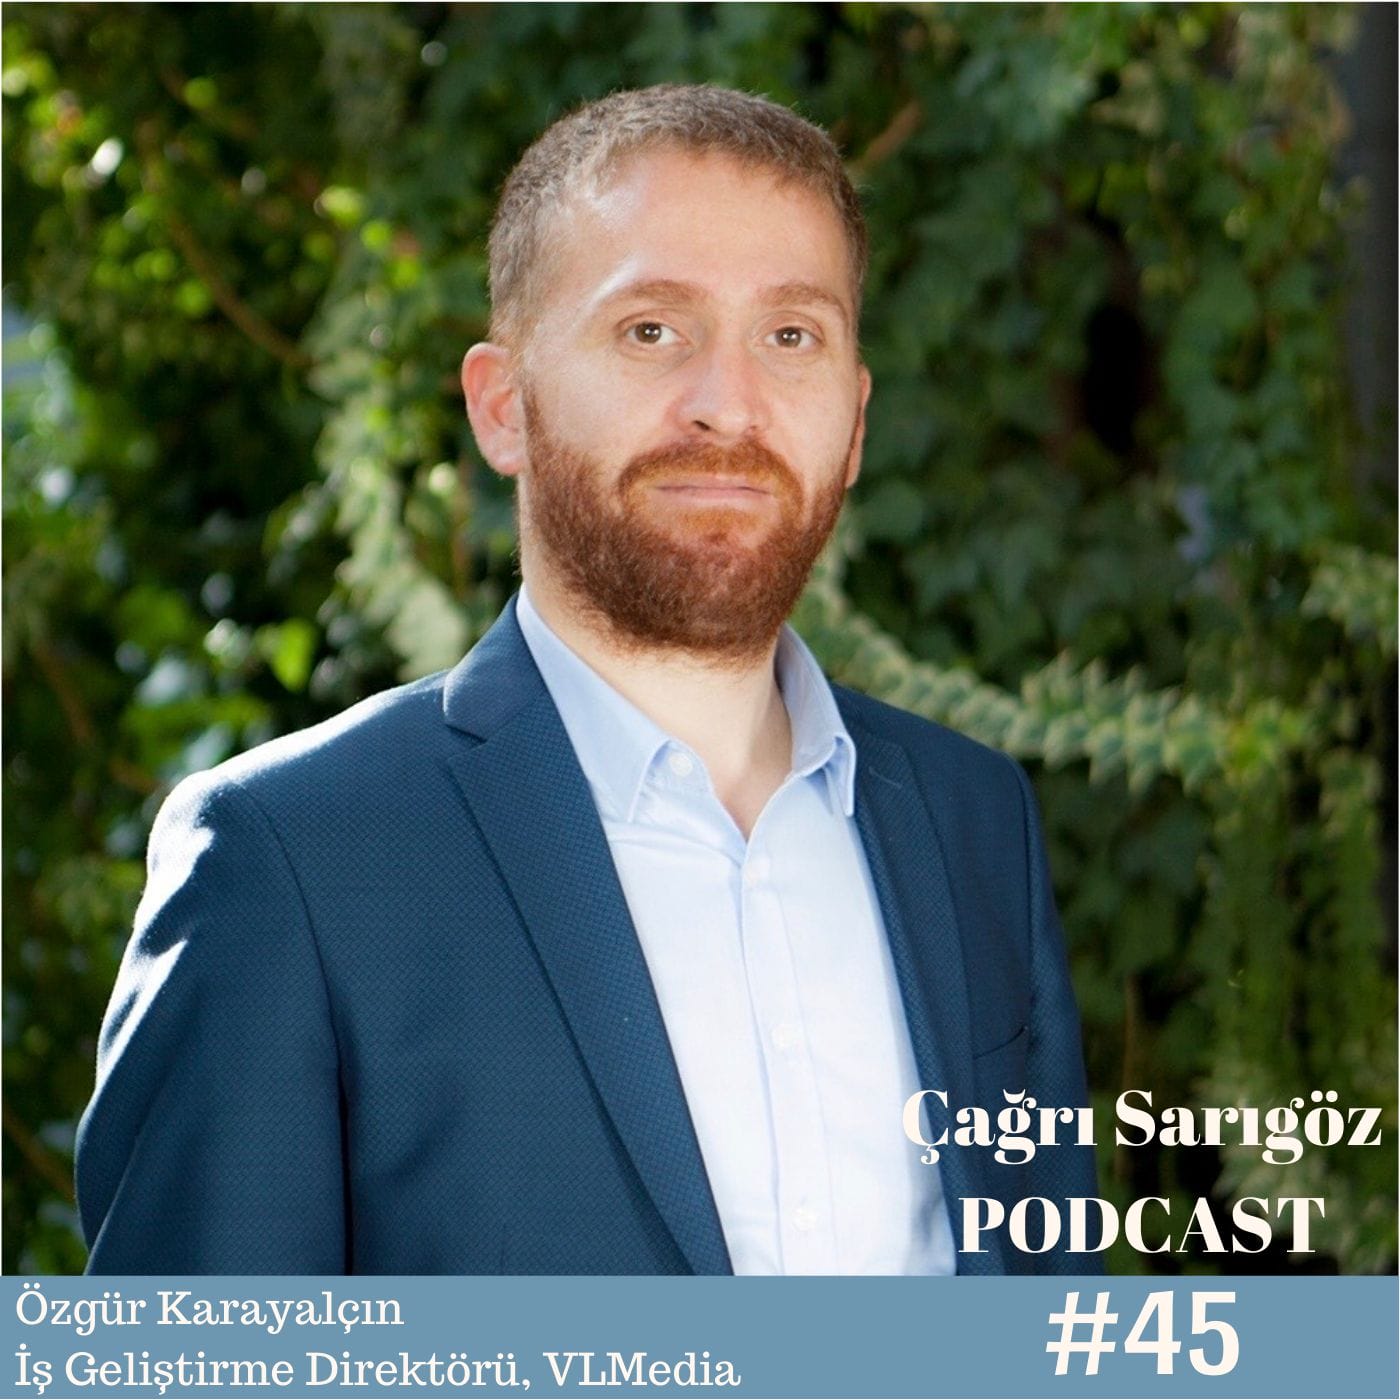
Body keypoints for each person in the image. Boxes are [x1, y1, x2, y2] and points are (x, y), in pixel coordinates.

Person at [76, 84, 1097, 1275]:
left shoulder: (972, 821)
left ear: (855, 420)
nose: (728, 405)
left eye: (790, 335)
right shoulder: (290, 859)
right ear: (502, 406)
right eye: (651, 330)